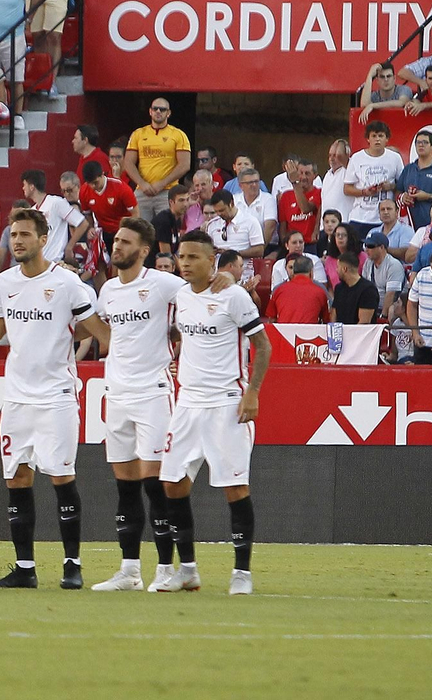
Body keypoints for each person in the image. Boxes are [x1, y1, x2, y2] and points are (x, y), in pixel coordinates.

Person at [0, 209, 110, 590]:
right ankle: (25, 568)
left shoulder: (69, 285)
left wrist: (141, 358)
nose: (17, 240)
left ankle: (72, 564)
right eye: (13, 234)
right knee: (18, 478)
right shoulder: (5, 283)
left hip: (56, 396)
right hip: (18, 398)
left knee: (61, 476)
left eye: (25, 234)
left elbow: (97, 332)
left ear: (44, 239)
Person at [155, 229, 271, 596]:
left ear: (211, 260)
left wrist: (252, 392)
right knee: (172, 484)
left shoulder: (233, 296)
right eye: (181, 257)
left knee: (234, 487)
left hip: (226, 403)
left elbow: (263, 347)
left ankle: (241, 573)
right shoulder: (179, 296)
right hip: (188, 403)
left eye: (193, 257)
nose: (185, 263)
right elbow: (179, 333)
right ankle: (187, 569)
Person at [89, 218, 186, 591]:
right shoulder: (109, 290)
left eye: (126, 242)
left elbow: (198, 298)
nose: (117, 247)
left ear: (144, 251)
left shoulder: (162, 284)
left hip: (153, 394)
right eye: (116, 240)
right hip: (117, 394)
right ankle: (129, 571)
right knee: (125, 487)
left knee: (154, 484)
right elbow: (102, 330)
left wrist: (221, 281)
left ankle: (165, 569)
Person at [124, 97, 191, 219]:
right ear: (150, 111)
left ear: (168, 113)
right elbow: (128, 163)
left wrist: (162, 184)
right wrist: (142, 184)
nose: (158, 111)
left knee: (165, 229)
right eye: (155, 109)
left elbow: (185, 165)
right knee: (138, 230)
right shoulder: (138, 134)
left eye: (162, 109)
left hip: (167, 192)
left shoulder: (178, 135)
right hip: (142, 191)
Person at [332, 251, 381, 325]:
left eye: (338, 267)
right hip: (339, 334)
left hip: (360, 335)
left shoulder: (368, 290)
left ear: (344, 269)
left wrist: (350, 335)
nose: (336, 270)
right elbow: (334, 316)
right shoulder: (338, 288)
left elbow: (364, 322)